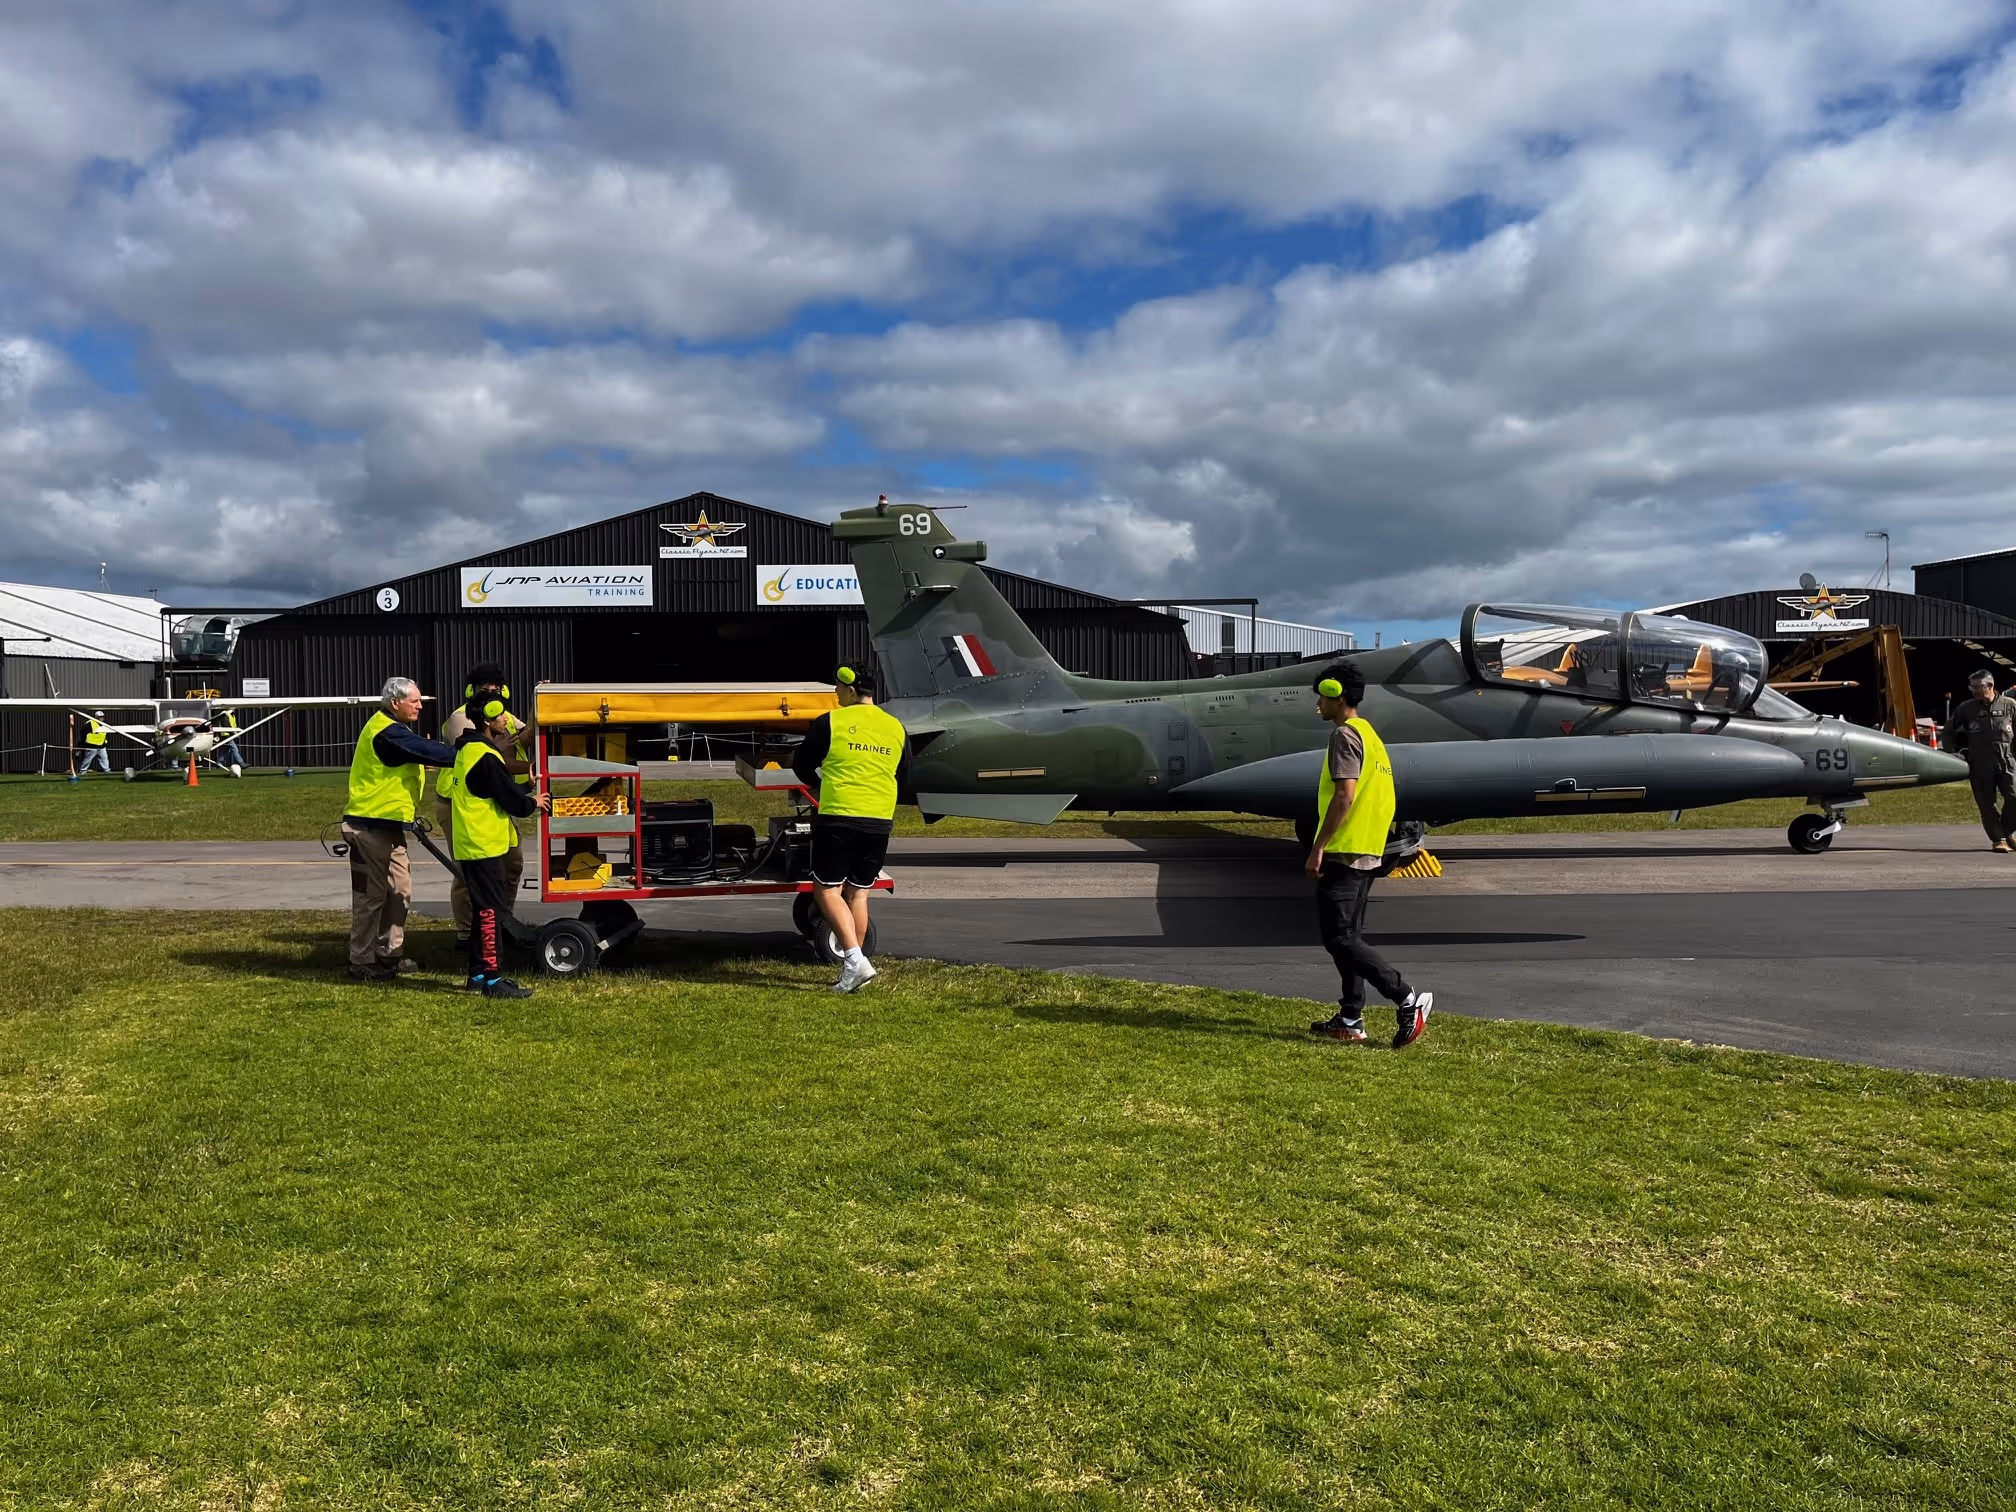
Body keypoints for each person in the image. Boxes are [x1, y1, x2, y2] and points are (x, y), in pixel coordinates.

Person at [1303, 661, 1433, 1047]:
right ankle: (1350, 1017)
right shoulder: (1371, 735)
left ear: (1335, 696)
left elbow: (1345, 794)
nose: (1317, 706)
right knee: (1349, 935)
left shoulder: (1344, 735)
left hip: (1344, 851)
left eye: (1321, 698)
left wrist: (1318, 846)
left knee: (1339, 938)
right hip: (1367, 850)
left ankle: (1406, 999)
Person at [790, 665, 911, 992]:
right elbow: (905, 773)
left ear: (852, 691)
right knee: (858, 891)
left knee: (826, 889)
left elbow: (801, 765)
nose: (835, 693)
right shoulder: (896, 727)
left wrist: (822, 781)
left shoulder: (832, 721)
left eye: (839, 688)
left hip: (840, 816)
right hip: (880, 819)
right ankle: (853, 969)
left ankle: (856, 960)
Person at [342, 676, 455, 981]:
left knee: (400, 892)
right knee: (371, 897)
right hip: (369, 827)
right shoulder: (387, 733)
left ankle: (389, 956)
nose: (420, 705)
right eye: (414, 701)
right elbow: (426, 751)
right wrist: (467, 755)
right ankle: (361, 962)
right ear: (395, 703)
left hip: (391, 828)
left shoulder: (397, 730)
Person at [449, 692, 550, 998]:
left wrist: (525, 787)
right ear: (487, 721)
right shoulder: (487, 757)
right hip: (485, 847)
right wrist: (531, 802)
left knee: (482, 912)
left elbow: (493, 790)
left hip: (471, 845)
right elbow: (509, 801)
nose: (506, 720)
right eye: (501, 715)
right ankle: (494, 980)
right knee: (492, 912)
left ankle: (476, 976)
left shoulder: (469, 750)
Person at [435, 662, 531, 945]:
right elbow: (489, 761)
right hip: (459, 804)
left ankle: (502, 922)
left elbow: (529, 733)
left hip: (495, 800)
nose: (491, 693)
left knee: (512, 865)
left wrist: (538, 708)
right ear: (471, 691)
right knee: (468, 872)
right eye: (483, 688)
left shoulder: (503, 717)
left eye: (496, 688)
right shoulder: (461, 719)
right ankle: (467, 934)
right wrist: (526, 773)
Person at [1943, 669, 2016, 852]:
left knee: (2014, 797)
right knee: (1986, 802)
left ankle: (2007, 832)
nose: (1973, 690)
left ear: (1990, 686)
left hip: (2007, 761)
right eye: (1971, 687)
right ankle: (1998, 839)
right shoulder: (1966, 708)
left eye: (1977, 687)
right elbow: (1948, 731)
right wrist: (1951, 753)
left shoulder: (2010, 705)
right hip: (1980, 762)